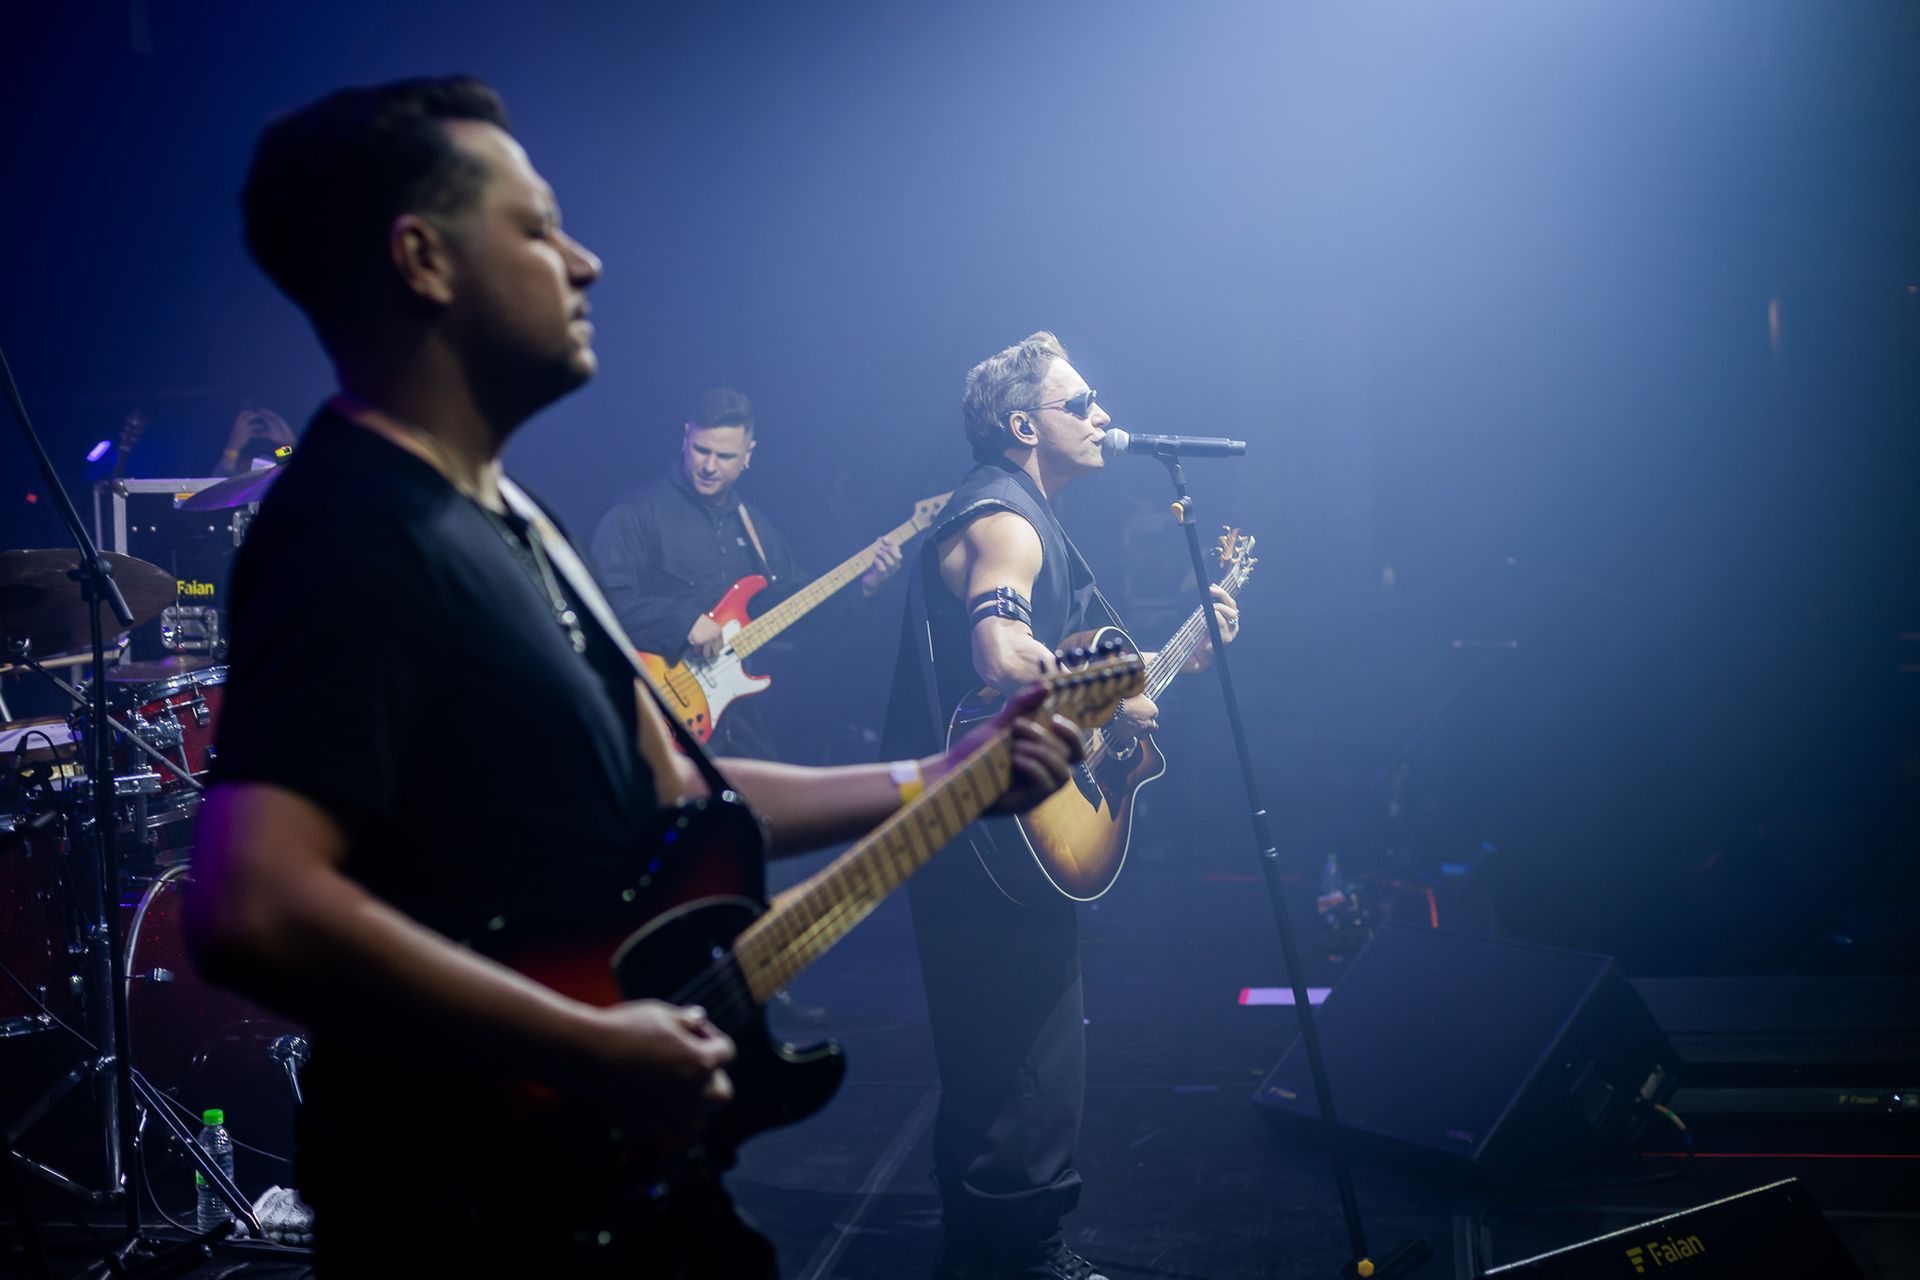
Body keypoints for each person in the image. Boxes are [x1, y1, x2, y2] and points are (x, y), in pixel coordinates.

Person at [185, 77, 1081, 1277]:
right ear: (422, 260)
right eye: (539, 226)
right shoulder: (352, 527)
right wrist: (589, 1046)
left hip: (609, 1182)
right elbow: (254, 904)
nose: (586, 259)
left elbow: (682, 788)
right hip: (466, 1200)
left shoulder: (514, 518)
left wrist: (945, 773)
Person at [882, 332, 1239, 1280]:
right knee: (1029, 1061)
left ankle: (990, 1255)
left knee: (999, 1057)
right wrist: (1112, 694)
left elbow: (1087, 680)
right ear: (1020, 424)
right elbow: (998, 653)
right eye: (1078, 402)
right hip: (988, 830)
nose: (1100, 417)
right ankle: (1022, 1260)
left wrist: (1170, 663)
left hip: (977, 829)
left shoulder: (1029, 514)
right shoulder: (1006, 520)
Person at [590, 387, 902, 759]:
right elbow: (599, 603)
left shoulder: (754, 526)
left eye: (724, 456)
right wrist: (683, 621)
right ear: (685, 436)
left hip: (735, 718)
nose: (709, 466)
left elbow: (792, 605)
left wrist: (864, 589)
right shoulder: (636, 513)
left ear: (748, 455)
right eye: (701, 450)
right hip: (658, 709)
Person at [212, 405, 298, 475]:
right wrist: (233, 447)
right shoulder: (233, 462)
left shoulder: (278, 454)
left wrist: (288, 441)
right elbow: (221, 485)